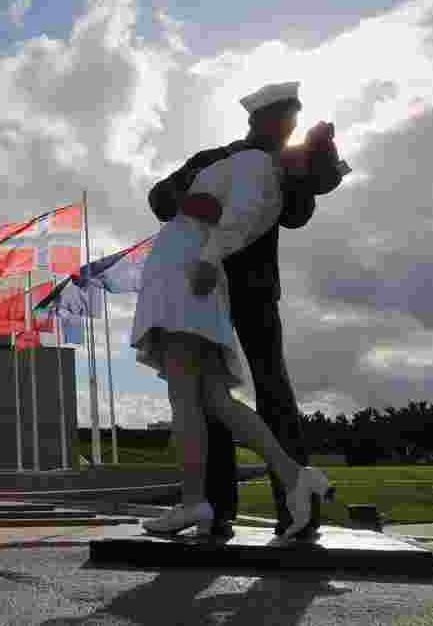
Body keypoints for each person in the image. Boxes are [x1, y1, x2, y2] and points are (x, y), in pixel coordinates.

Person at [132, 82, 338, 540]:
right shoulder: (213, 157)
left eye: (293, 120)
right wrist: (193, 200)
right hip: (203, 281)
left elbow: (298, 213)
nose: (288, 128)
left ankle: (286, 508)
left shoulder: (287, 162)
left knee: (269, 390)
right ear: (259, 120)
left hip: (248, 288)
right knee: (211, 399)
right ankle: (219, 505)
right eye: (284, 119)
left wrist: (314, 166)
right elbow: (160, 198)